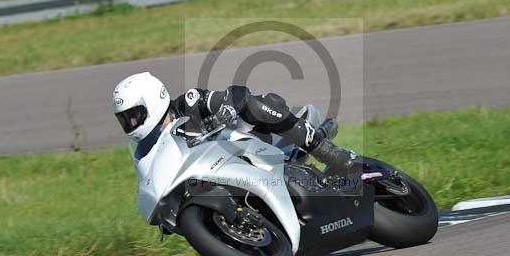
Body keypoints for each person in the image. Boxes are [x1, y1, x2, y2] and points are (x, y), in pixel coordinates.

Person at [112, 72, 355, 174]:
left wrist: (227, 106)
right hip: (219, 176)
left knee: (256, 104)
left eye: (134, 115)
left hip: (251, 148)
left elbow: (237, 93)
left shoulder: (189, 103)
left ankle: (327, 151)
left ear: (153, 100)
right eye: (125, 120)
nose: (131, 124)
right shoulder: (149, 149)